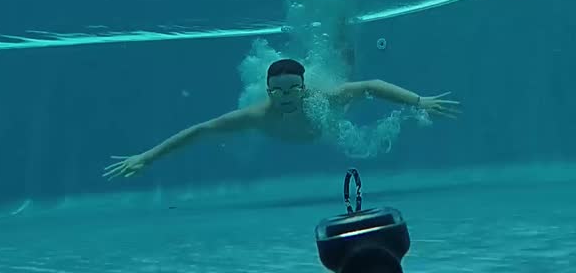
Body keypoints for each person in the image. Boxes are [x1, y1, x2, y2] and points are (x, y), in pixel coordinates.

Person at [104, 58, 460, 179]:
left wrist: (418, 101)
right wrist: (147, 157)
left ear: (303, 88)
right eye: (278, 90)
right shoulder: (256, 115)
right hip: (295, 135)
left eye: (293, 88)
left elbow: (371, 85)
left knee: (343, 63)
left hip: (329, 123)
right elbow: (201, 130)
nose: (286, 95)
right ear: (268, 91)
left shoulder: (324, 97)